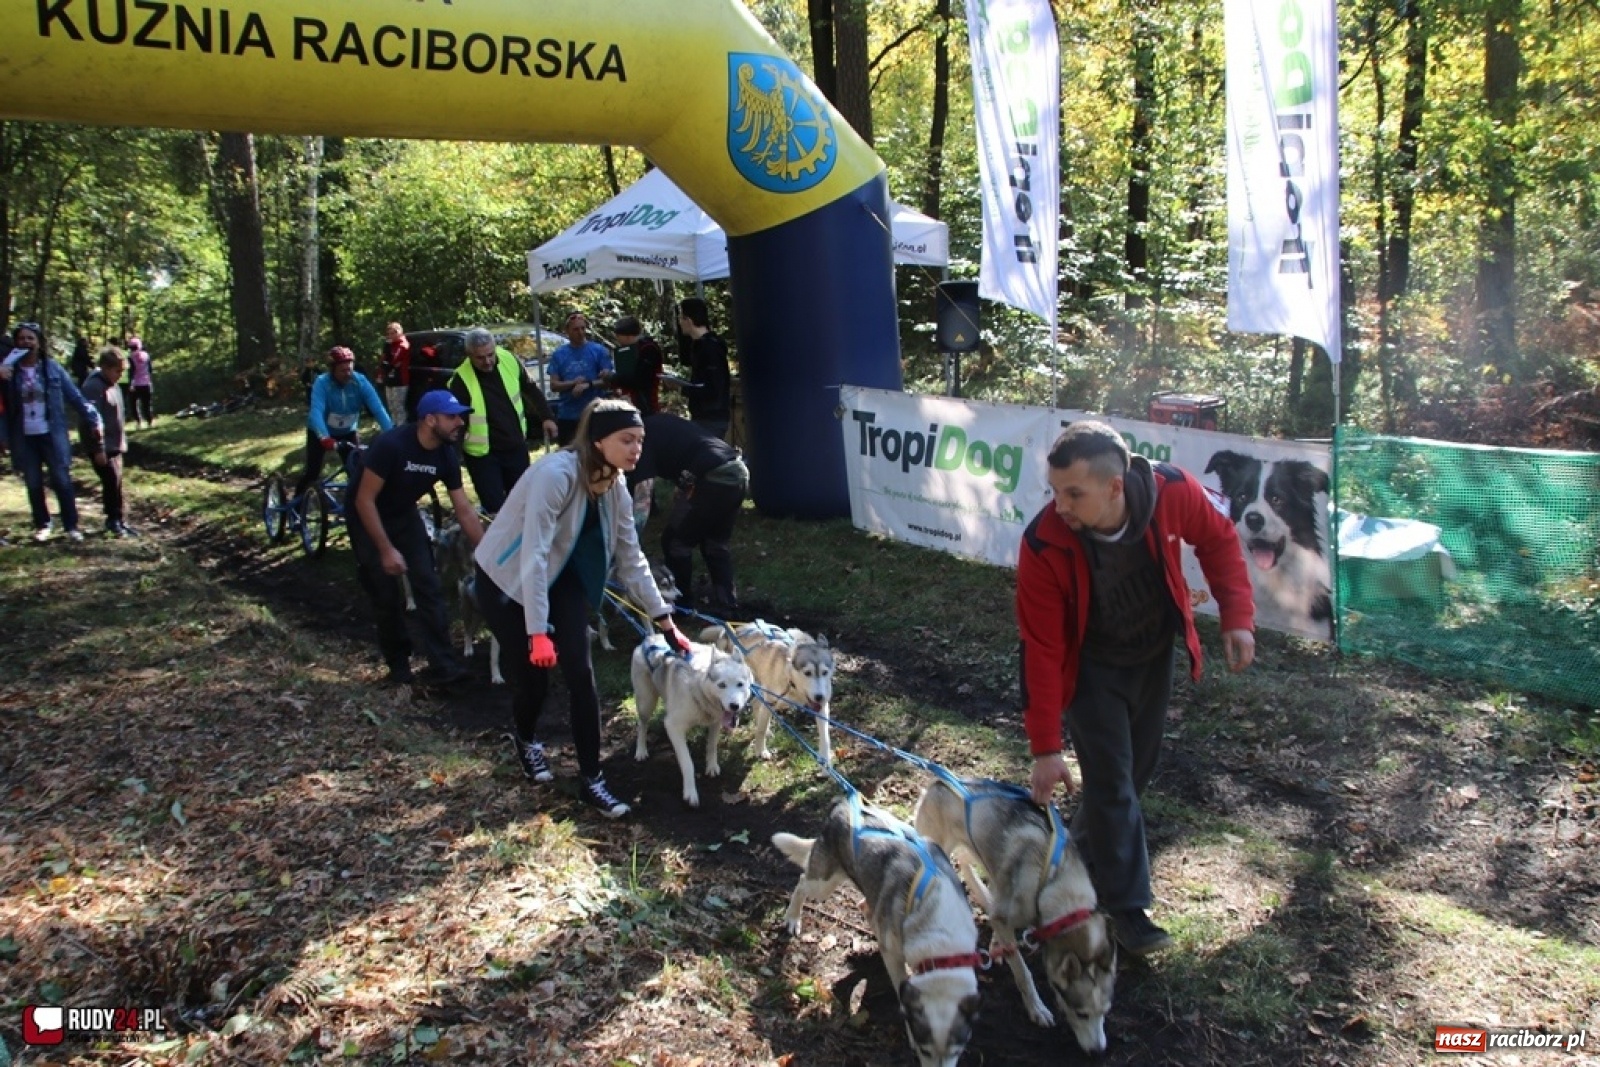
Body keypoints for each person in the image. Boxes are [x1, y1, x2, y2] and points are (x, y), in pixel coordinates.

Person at [1016, 420, 1256, 957]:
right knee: (1113, 784)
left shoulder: (1173, 491)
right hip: (1092, 669)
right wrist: (1046, 748)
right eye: (1054, 491)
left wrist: (1237, 617)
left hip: (1152, 657)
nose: (1061, 506)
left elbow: (1218, 540)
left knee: (1129, 778)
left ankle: (1064, 866)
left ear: (1115, 487)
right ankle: (1127, 909)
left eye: (1073, 493)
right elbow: (1041, 649)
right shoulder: (1044, 542)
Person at [473, 398, 692, 818]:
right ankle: (525, 737)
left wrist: (664, 621)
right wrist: (538, 631)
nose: (636, 449)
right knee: (533, 680)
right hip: (508, 578)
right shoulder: (557, 475)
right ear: (597, 440)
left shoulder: (617, 485)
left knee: (580, 672)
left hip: (565, 578)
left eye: (640, 441)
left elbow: (632, 557)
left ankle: (592, 780)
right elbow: (533, 554)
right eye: (627, 440)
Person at [349, 390, 485, 687]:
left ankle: (444, 665)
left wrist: (488, 552)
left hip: (403, 515)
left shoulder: (446, 453)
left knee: (429, 584)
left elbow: (463, 509)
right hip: (367, 515)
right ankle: (398, 666)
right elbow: (364, 500)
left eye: (460, 415)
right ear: (429, 419)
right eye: (452, 417)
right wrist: (385, 549)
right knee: (386, 594)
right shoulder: (392, 446)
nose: (459, 422)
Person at [629, 412, 748, 613]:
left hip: (712, 478)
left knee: (675, 542)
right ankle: (726, 601)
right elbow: (690, 451)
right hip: (738, 472)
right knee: (715, 542)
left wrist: (630, 541)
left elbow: (643, 498)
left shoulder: (641, 440)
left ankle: (681, 605)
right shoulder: (660, 422)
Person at [0, 322, 106, 542]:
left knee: (61, 479)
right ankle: (43, 525)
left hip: (51, 433)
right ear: (15, 343)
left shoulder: (52, 368)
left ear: (39, 343)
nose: (26, 343)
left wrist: (93, 418)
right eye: (21, 339)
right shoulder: (8, 371)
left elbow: (75, 396)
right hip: (24, 436)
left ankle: (71, 526)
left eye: (31, 338)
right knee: (33, 481)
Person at [446, 327, 558, 514]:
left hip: (515, 446)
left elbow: (530, 388)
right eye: (480, 358)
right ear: (469, 355)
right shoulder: (460, 380)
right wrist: (452, 459)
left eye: (490, 354)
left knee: (524, 503)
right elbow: (458, 423)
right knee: (496, 510)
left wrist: (547, 417)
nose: (488, 361)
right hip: (483, 457)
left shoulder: (508, 359)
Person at [296, 346, 392, 502]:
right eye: (342, 370)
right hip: (321, 432)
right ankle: (297, 508)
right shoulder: (322, 383)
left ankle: (357, 509)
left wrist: (391, 432)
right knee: (312, 472)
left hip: (348, 431)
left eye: (350, 369)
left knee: (357, 472)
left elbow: (378, 409)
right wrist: (324, 437)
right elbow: (316, 411)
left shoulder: (360, 381)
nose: (347, 374)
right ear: (332, 370)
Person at [79, 346, 134, 537]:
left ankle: (119, 519)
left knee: (117, 482)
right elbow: (89, 420)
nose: (120, 375)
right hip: (103, 446)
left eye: (122, 371)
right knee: (110, 482)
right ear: (104, 367)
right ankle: (112, 520)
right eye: (117, 371)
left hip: (116, 444)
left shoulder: (113, 384)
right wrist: (97, 449)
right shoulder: (93, 387)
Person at [545, 312, 615, 445]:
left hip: (594, 412)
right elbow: (554, 385)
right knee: (569, 455)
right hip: (568, 415)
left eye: (583, 328)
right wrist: (573, 383)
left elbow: (608, 381)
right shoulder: (559, 354)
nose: (580, 332)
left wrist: (588, 384)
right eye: (576, 329)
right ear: (567, 331)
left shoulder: (598, 351)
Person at [675, 297, 731, 440]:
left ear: (689, 320)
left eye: (681, 318)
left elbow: (713, 388)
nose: (680, 323)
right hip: (702, 416)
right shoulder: (698, 346)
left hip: (712, 418)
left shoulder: (711, 348)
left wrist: (683, 388)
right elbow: (685, 360)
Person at [609, 315, 663, 416]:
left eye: (619, 337)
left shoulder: (648, 349)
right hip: (628, 402)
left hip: (646, 405)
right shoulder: (628, 349)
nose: (618, 341)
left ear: (628, 336)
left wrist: (613, 378)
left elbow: (640, 380)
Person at [377, 321, 411, 423]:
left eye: (393, 333)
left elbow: (395, 361)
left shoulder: (403, 345)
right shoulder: (389, 345)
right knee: (391, 407)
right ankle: (394, 427)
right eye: (389, 334)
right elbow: (383, 361)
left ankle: (401, 429)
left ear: (399, 332)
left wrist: (388, 364)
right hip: (389, 379)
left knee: (398, 407)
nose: (391, 336)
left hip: (400, 380)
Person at [126, 336, 154, 428]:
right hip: (146, 382)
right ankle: (150, 421)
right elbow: (150, 369)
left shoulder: (130, 357)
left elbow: (131, 372)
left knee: (133, 404)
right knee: (147, 403)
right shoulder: (146, 355)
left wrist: (130, 383)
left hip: (135, 384)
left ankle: (139, 421)